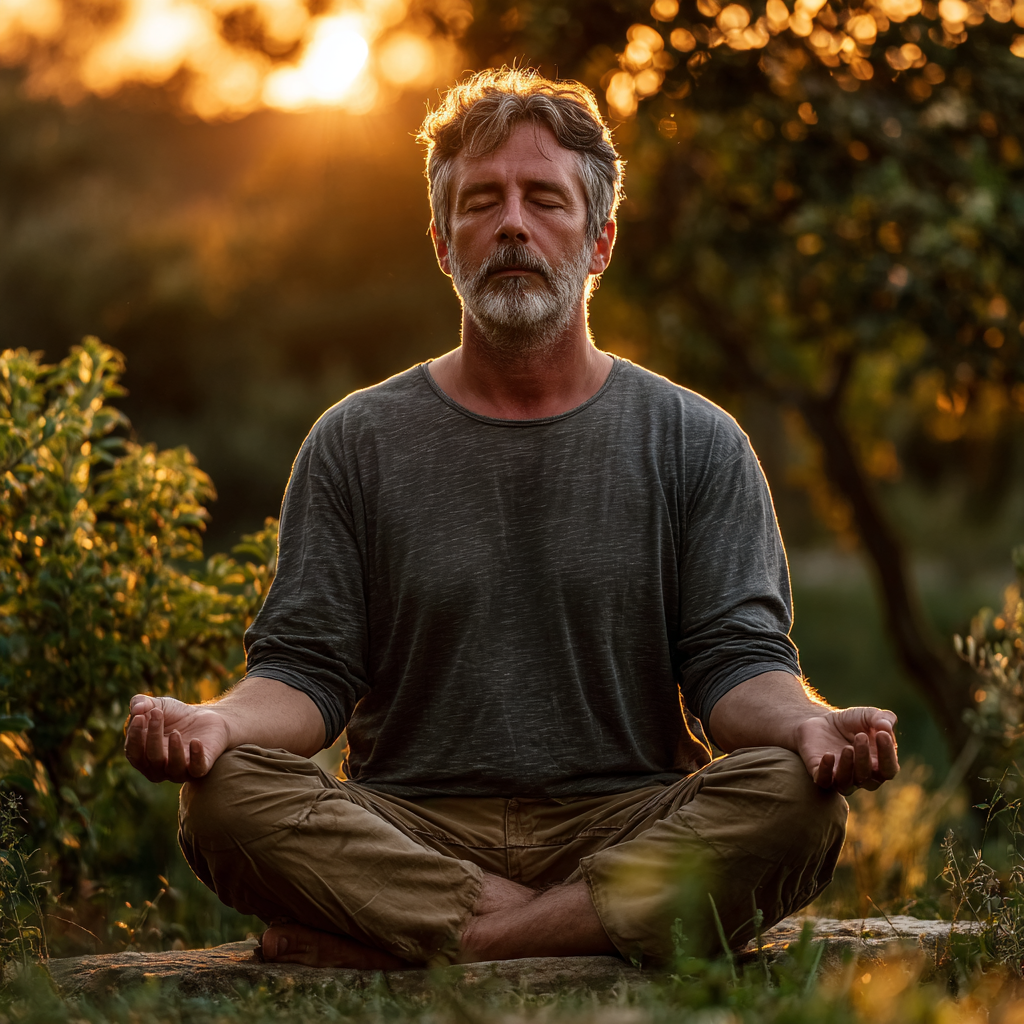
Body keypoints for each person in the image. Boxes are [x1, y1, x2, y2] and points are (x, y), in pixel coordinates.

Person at [124, 68, 899, 970]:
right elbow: (306, 672)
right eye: (482, 202)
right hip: (406, 827)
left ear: (600, 239)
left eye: (545, 200)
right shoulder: (356, 440)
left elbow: (737, 667)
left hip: (626, 817)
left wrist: (808, 726)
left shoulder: (696, 441)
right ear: (443, 244)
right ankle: (585, 927)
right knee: (223, 798)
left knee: (793, 798)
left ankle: (440, 941)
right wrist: (216, 722)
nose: (513, 226)